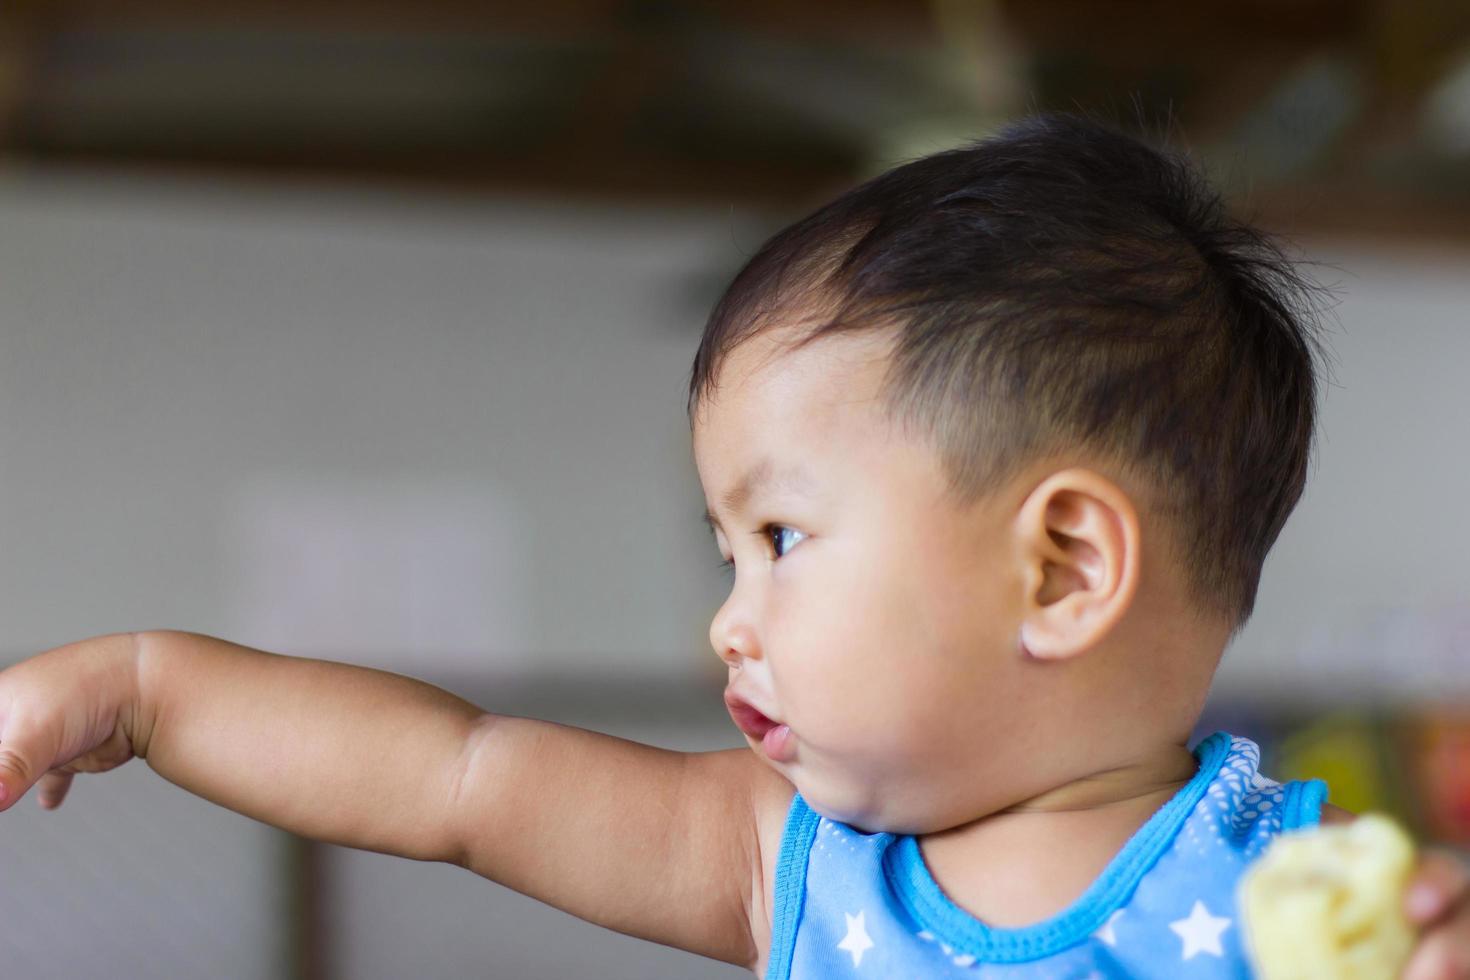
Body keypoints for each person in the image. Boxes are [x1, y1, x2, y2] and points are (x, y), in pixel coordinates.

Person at [0, 113, 1466, 978]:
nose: (728, 619)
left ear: (1061, 569)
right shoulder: (800, 864)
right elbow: (446, 778)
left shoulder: (1309, 910)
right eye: (727, 555)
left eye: (778, 536)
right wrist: (150, 691)